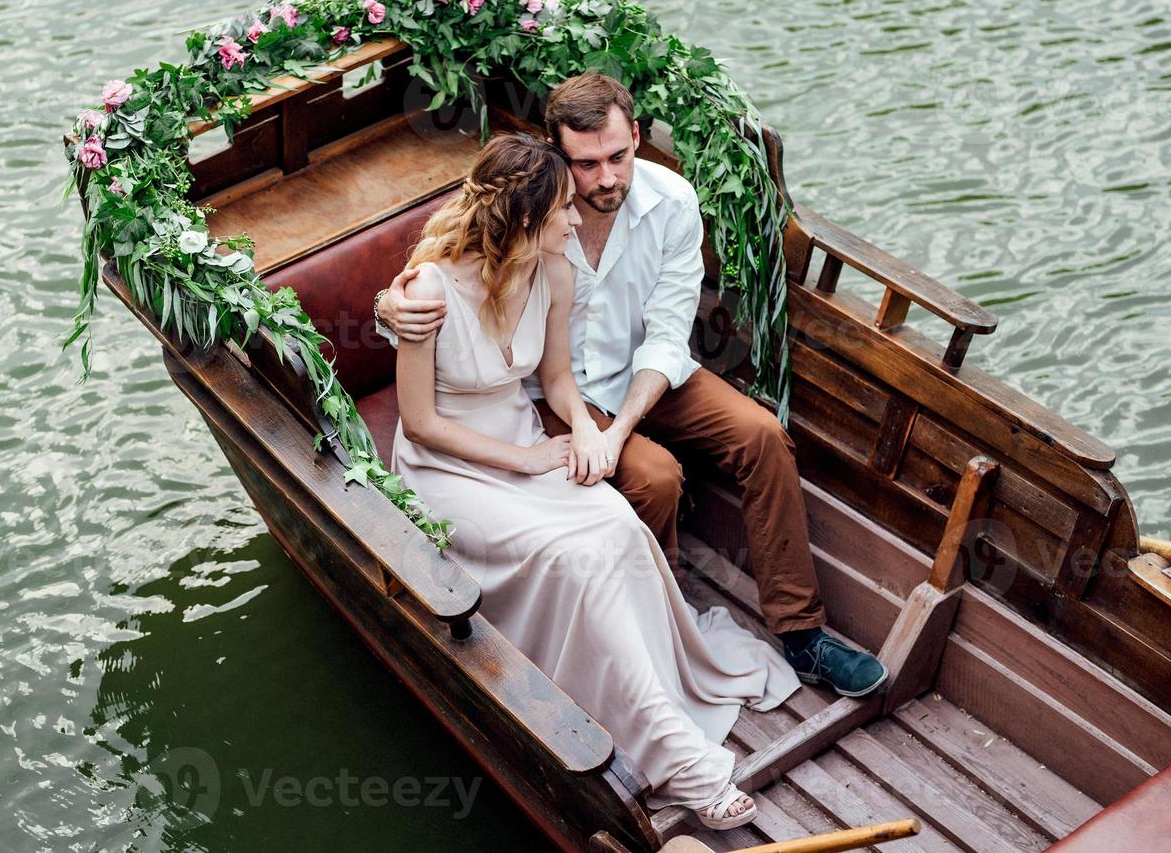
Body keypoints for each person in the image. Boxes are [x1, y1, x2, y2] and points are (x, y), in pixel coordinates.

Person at [376, 73, 888, 698]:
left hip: (649, 373)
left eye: (619, 157)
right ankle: (653, 629)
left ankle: (802, 633)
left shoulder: (671, 203)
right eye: (586, 165)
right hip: (563, 394)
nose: (607, 178)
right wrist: (387, 305)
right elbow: (460, 275)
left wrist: (618, 430)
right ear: (557, 157)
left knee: (762, 434)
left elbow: (671, 334)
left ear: (637, 138)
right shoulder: (537, 219)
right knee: (654, 479)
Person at [389, 133, 799, 829]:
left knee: (615, 522)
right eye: (562, 211)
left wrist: (581, 429)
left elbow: (554, 380)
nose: (577, 219)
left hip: (524, 438)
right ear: (524, 219)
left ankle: (654, 700)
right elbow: (420, 422)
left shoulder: (552, 273)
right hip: (449, 467)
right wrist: (523, 462)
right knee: (570, 555)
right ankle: (677, 759)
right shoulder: (428, 289)